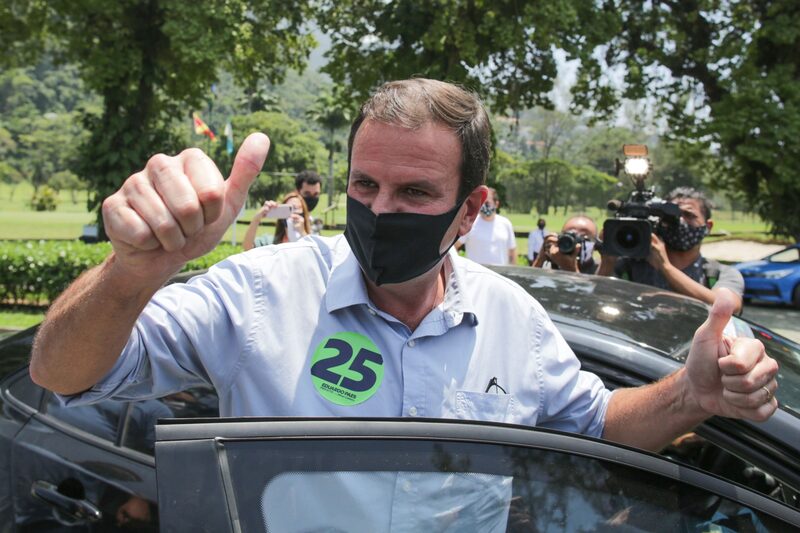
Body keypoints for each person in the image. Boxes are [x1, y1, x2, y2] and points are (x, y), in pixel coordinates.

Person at [30, 79, 777, 456]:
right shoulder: (260, 291)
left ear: (471, 208)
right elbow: (63, 372)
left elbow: (595, 422)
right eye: (364, 184)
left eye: (415, 191)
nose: (381, 208)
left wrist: (693, 392)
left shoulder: (513, 319)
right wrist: (129, 274)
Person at [598, 187, 745, 312]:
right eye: (672, 216)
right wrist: (608, 262)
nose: (680, 221)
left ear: (708, 226)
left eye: (689, 215)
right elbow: (596, 300)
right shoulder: (627, 268)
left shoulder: (720, 274)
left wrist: (666, 268)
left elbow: (727, 306)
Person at [455, 187, 517, 265]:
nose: (484, 206)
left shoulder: (505, 223)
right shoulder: (470, 222)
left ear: (496, 204)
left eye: (487, 202)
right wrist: (460, 266)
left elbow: (512, 251)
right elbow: (454, 246)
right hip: (475, 275)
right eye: (481, 202)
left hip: (499, 275)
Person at [242, 191, 311, 250]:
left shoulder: (311, 240)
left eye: (296, 208)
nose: (292, 212)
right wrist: (256, 219)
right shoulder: (271, 242)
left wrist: (302, 232)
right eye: (289, 208)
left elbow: (313, 254)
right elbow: (247, 247)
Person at [533, 215, 598, 274]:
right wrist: (540, 258)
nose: (575, 241)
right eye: (568, 235)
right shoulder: (547, 269)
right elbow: (528, 283)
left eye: (584, 235)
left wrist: (570, 268)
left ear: (596, 243)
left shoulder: (601, 271)